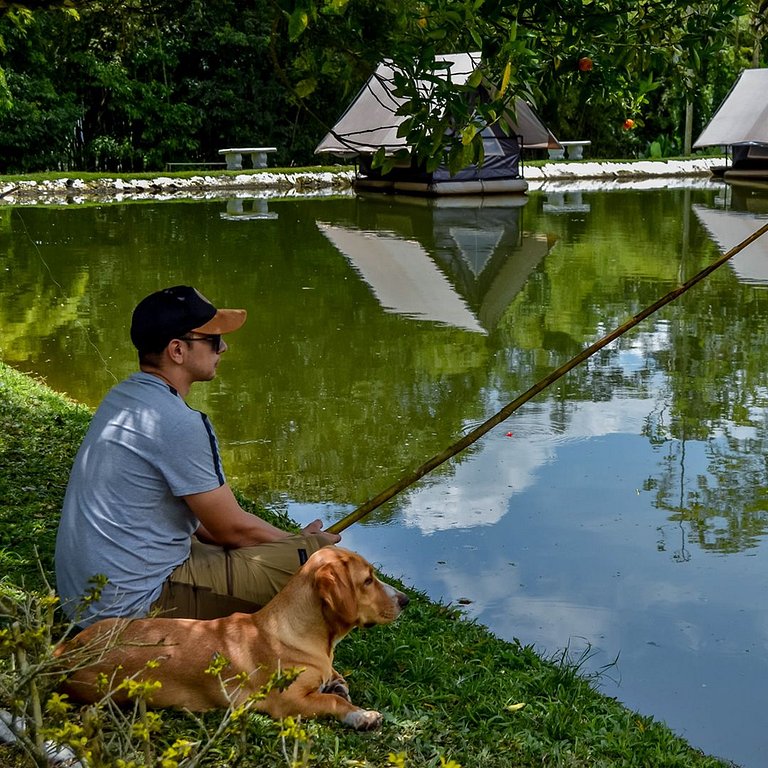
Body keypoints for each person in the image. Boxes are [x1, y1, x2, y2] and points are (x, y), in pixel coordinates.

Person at [55, 285, 340, 628]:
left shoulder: (124, 397)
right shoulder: (177, 422)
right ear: (177, 350)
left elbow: (208, 524)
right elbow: (230, 529)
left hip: (87, 603)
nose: (224, 347)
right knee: (322, 566)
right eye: (213, 340)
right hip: (130, 612)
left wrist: (289, 539)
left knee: (284, 550)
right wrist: (306, 544)